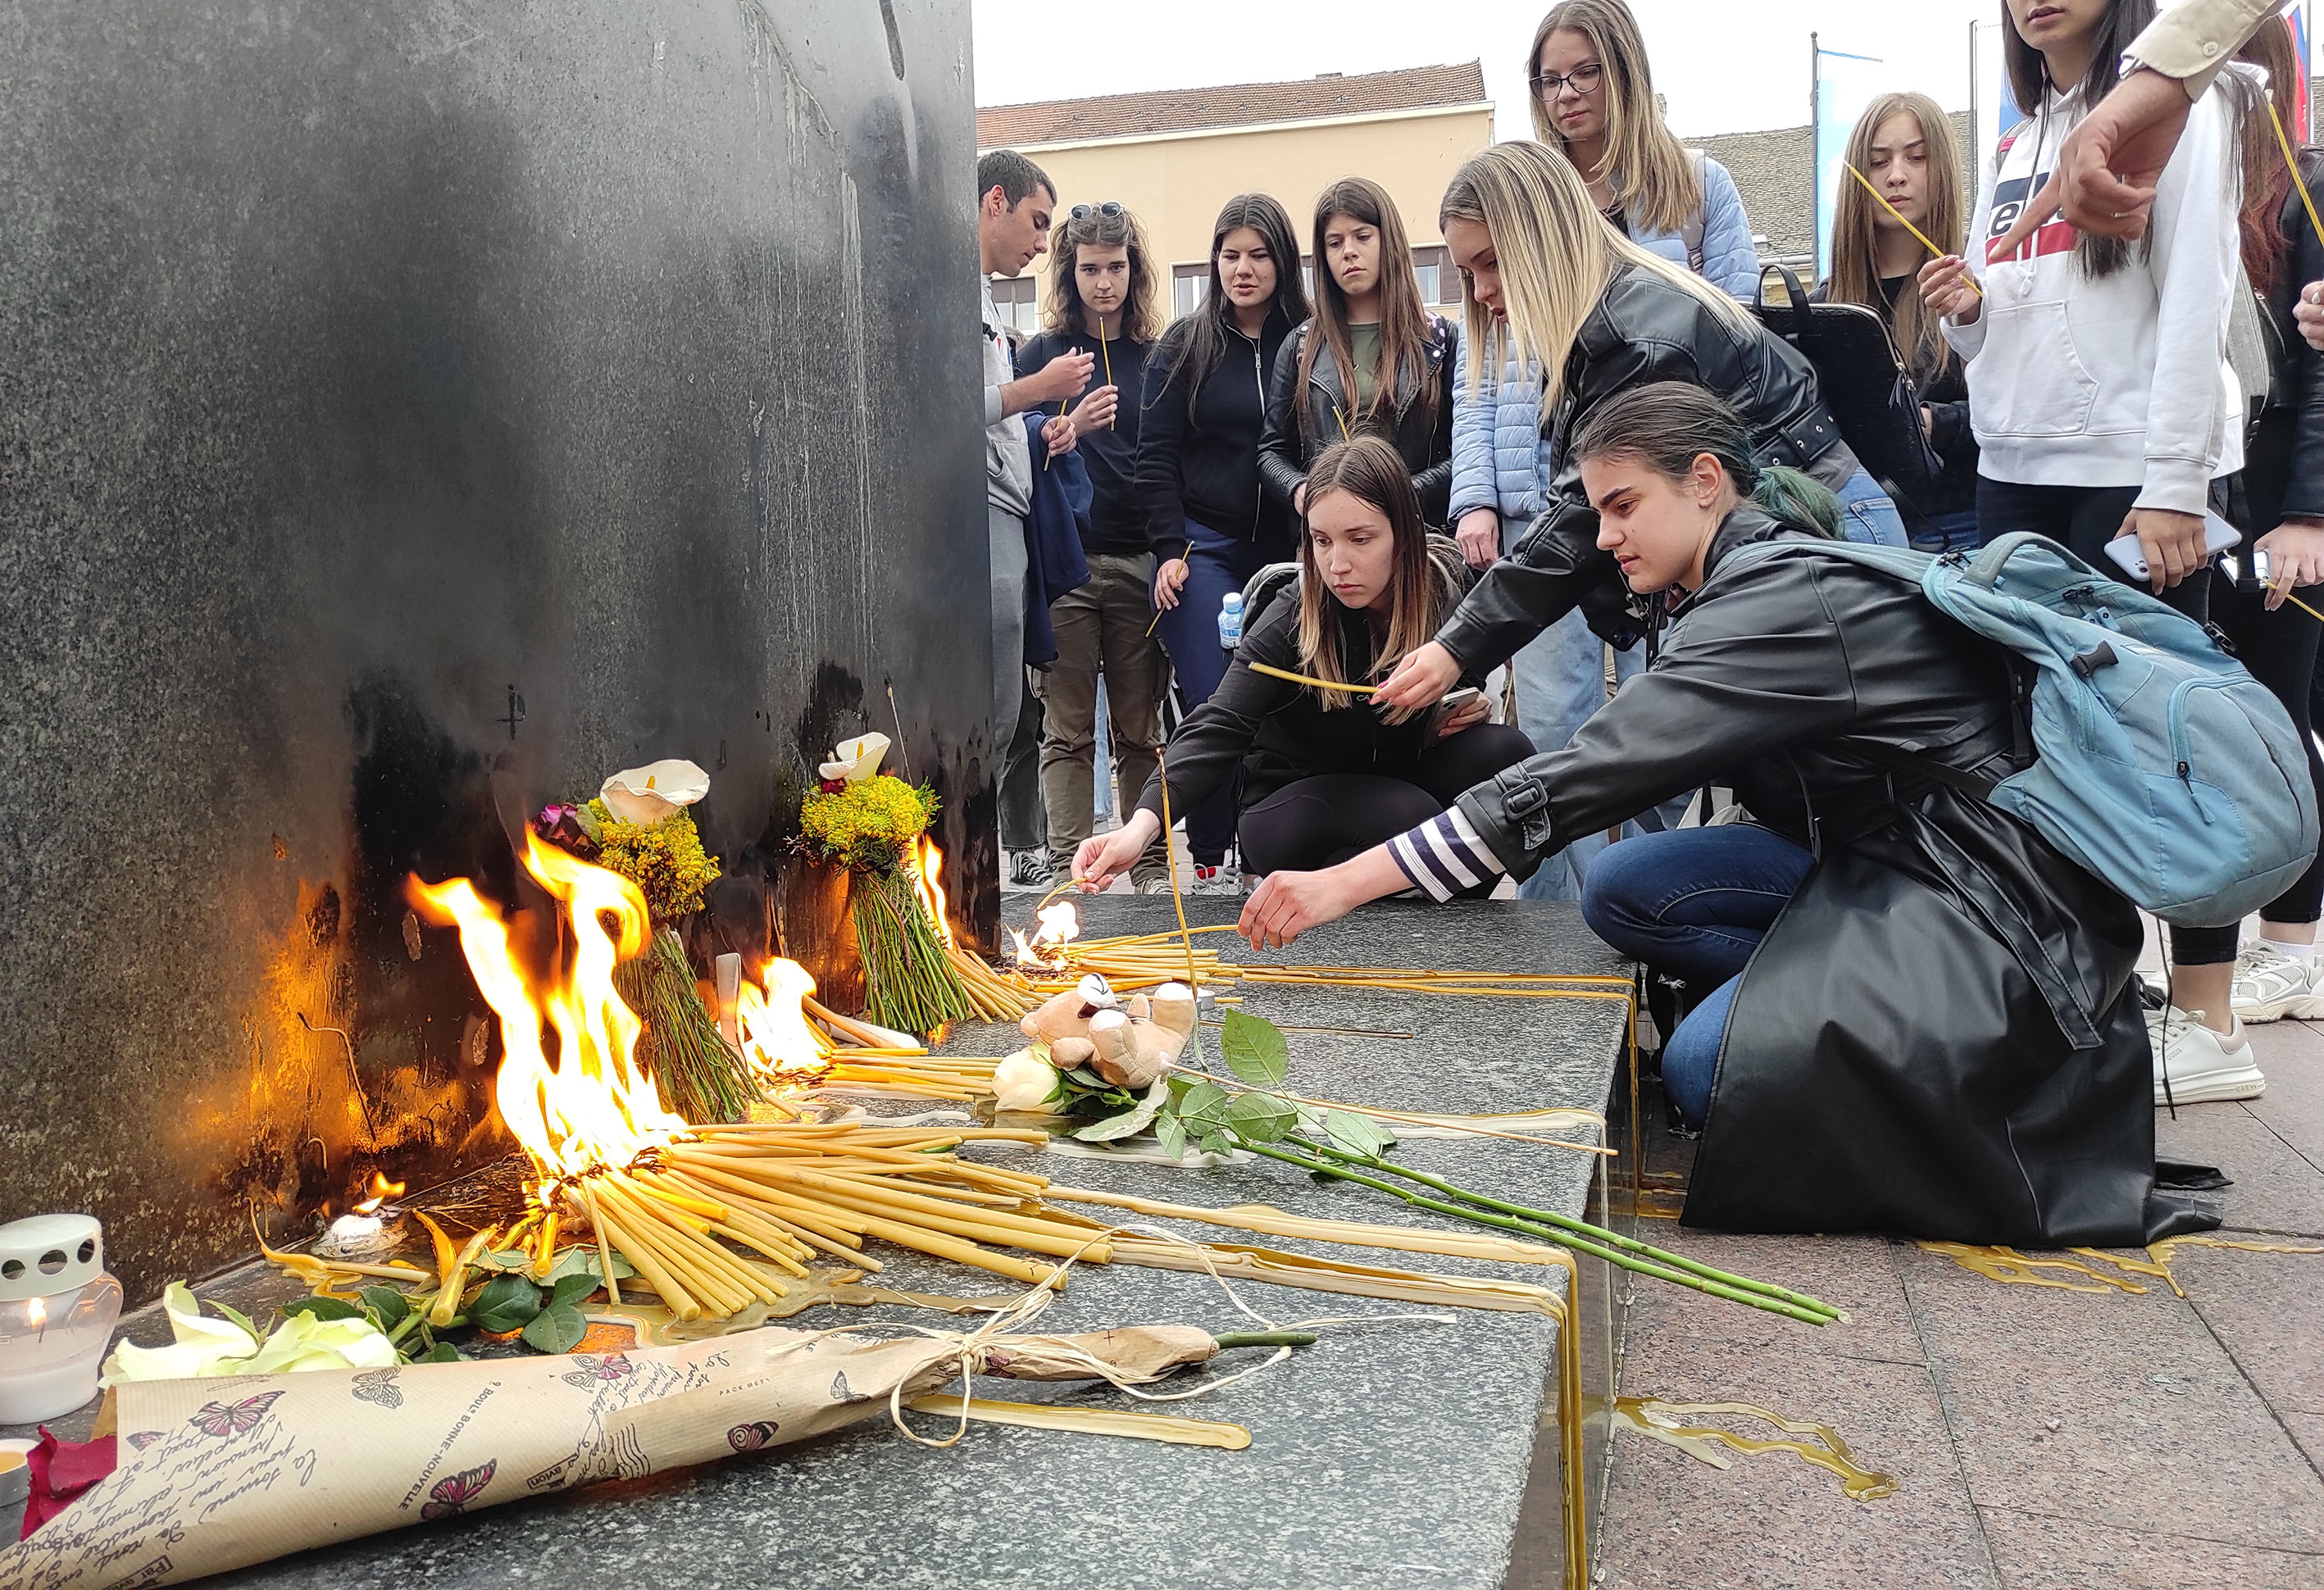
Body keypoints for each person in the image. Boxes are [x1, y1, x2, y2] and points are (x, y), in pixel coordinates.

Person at [1235, 382, 2210, 1249]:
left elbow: (1587, 772)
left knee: (1710, 1075)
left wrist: (1345, 880)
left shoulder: (1775, 601)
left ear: (1706, 481)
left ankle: (1869, 1022)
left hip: (1980, 902)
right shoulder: (1731, 579)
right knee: (1621, 886)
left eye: (1623, 507)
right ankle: (1811, 987)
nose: (1604, 537)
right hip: (1872, 856)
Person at [1373, 141, 1907, 723]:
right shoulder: (1611, 316)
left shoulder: (1635, 340)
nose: (1479, 293)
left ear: (1545, 236)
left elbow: (1577, 521)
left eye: (1493, 262)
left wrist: (1456, 647)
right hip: (1801, 535)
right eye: (1466, 271)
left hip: (1828, 535)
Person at [1075, 437, 1533, 890]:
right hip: (1292, 799)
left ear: (1404, 535)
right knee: (1421, 823)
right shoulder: (1294, 614)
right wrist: (1139, 827)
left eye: (1360, 539)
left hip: (1393, 775)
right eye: (1321, 541)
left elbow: (1472, 681)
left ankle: (1442, 927)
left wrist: (1456, 712)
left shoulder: (1439, 591)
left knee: (1507, 759)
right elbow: (1218, 724)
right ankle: (1387, 907)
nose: (1337, 565)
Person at [1920, 0, 2242, 614]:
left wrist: (2175, 484)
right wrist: (1965, 310)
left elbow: (2198, 298)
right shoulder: (2013, 144)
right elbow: (1983, 323)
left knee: (2136, 701)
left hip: (2129, 471)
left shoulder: (2180, 105)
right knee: (2032, 698)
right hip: (2010, 466)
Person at [2143, 19, 2324, 1100]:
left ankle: (2292, 947)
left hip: (2272, 518)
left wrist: (2304, 515)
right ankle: (2272, 949)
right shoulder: (2199, 187)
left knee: (2271, 726)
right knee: (2239, 719)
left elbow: (2311, 380)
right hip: (2211, 502)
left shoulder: (2296, 190)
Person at [1135, 193, 1314, 894]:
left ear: (1282, 260)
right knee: (1214, 694)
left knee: (1283, 698)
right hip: (1201, 546)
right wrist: (1167, 548)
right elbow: (1155, 457)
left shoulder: (1308, 336)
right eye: (1230, 254)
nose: (1242, 269)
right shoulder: (1185, 343)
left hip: (1290, 547)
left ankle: (1266, 850)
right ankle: (1209, 856)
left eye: (1258, 254)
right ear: (1214, 261)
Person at [1015, 202, 1171, 893]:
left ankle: (1144, 867)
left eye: (1113, 268)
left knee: (1141, 733)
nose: (1102, 282)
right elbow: (1009, 463)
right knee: (1066, 731)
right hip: (1067, 566)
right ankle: (1067, 874)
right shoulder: (1040, 356)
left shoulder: (1157, 357)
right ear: (1068, 273)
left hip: (1141, 562)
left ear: (1132, 271)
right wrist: (1065, 426)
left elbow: (1174, 465)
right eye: (1088, 269)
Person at [1820, 93, 1981, 552]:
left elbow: (2024, 410)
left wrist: (1935, 424)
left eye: (1917, 158)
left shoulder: (1974, 286)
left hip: (1963, 527)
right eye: (1877, 161)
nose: (1895, 176)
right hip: (1852, 532)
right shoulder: (1823, 307)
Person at [976, 151, 1085, 810]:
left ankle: (963, 878)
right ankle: (953, 878)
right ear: (996, 201)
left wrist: (1041, 424)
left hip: (1006, 511)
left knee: (1002, 711)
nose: (1042, 244)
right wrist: (1035, 389)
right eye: (1036, 221)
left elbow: (994, 411)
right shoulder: (940, 286)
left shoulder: (982, 294)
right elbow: (939, 412)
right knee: (988, 712)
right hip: (980, 514)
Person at [1993, 0, 2283, 248]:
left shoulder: (2187, 105)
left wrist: (2171, 71)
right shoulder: (2009, 148)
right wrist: (1970, 310)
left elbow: (2193, 294)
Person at [1526, 0, 1761, 302]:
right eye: (1550, 81)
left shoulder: (1701, 186)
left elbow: (1740, 328)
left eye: (1585, 73)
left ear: (1626, 73)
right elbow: (1494, 341)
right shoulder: (1529, 204)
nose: (1566, 94)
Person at [1258, 178, 1458, 525]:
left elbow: (1465, 451)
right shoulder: (1301, 346)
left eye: (1362, 237)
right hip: (1332, 536)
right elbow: (1271, 451)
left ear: (1387, 240)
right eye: (1335, 243)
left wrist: (1403, 494)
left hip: (1420, 532)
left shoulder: (1440, 339)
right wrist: (1301, 490)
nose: (1348, 251)